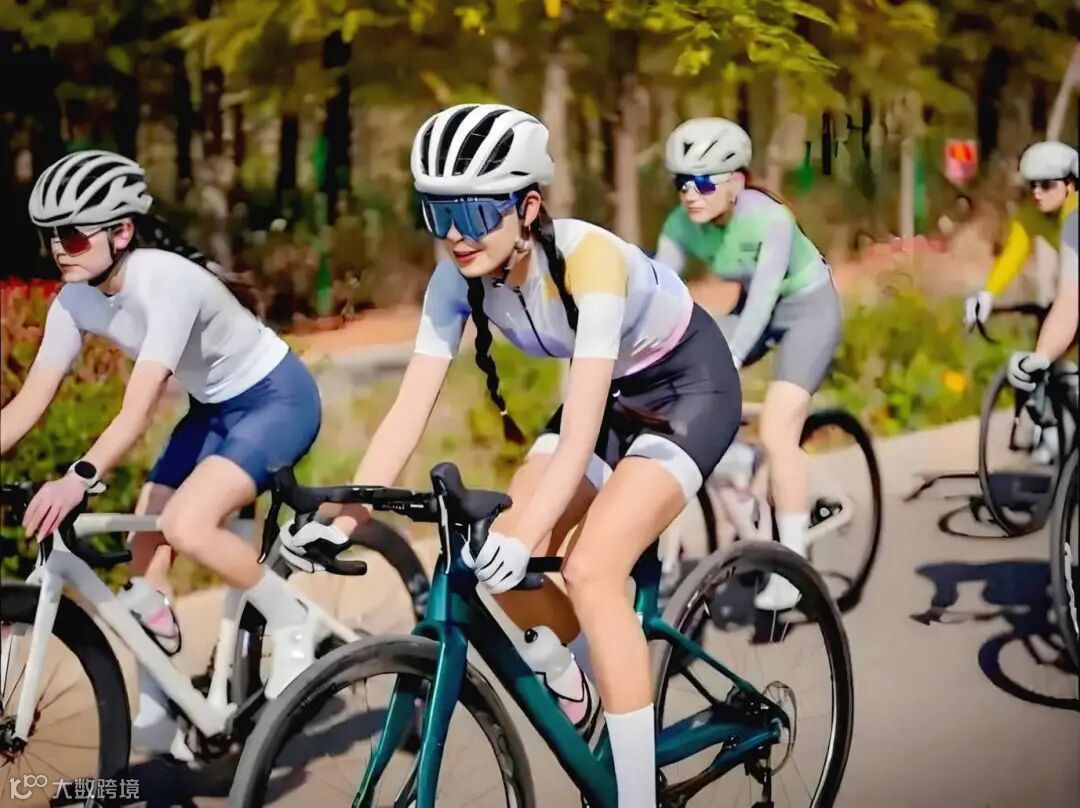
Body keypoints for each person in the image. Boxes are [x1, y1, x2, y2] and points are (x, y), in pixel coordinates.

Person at [282, 103, 741, 807]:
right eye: (437, 213)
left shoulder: (588, 262)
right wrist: (344, 519)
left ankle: (636, 795)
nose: (454, 235)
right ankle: (585, 684)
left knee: (590, 570)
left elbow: (580, 433)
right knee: (489, 551)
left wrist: (528, 537)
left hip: (688, 390)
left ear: (528, 207)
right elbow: (407, 412)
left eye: (471, 212)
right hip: (612, 397)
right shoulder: (455, 279)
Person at [0, 149, 323, 751]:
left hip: (276, 400)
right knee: (143, 562)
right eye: (50, 236)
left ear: (121, 232)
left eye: (73, 235)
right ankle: (161, 701)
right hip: (213, 411)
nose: (60, 249)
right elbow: (28, 403)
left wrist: (78, 477)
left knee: (185, 524)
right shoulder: (74, 300)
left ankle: (294, 617)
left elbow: (138, 409)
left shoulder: (165, 282)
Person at [656, 118, 843, 610]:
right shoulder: (679, 225)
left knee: (778, 429)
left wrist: (732, 359)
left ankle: (794, 568)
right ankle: (742, 466)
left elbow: (762, 300)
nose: (689, 194)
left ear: (736, 181)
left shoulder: (770, 218)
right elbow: (658, 294)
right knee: (675, 395)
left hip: (807, 312)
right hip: (750, 310)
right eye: (680, 182)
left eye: (702, 182)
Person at [999, 143, 1079, 401]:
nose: (1037, 193)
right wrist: (1041, 355)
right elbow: (1069, 302)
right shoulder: (1073, 226)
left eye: (1046, 185)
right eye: (1032, 185)